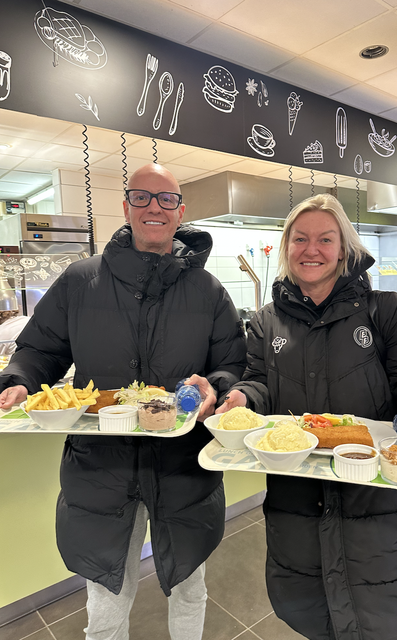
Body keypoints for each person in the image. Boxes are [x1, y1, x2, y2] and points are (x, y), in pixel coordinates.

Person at [0, 163, 247, 640]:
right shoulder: (80, 280)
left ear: (180, 211)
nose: (154, 207)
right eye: (142, 197)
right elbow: (41, 349)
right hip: (100, 466)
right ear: (126, 206)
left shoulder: (208, 290)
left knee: (190, 587)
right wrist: (21, 381)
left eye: (166, 199)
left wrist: (216, 386)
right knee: (107, 600)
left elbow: (232, 363)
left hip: (183, 465)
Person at [216, 193, 397, 640]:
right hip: (296, 503)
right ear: (287, 247)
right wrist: (241, 398)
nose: (311, 249)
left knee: (382, 619)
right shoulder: (265, 322)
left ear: (345, 250)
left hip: (375, 509)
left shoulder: (387, 311)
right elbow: (257, 379)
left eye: (325, 239)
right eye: (300, 239)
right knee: (312, 615)